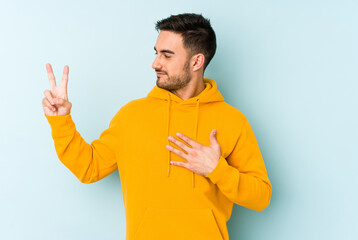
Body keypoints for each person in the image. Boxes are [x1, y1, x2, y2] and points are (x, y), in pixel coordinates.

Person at [42, 13, 272, 240]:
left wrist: (217, 170)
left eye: (167, 55)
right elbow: (88, 168)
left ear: (196, 61)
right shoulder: (131, 115)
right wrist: (61, 120)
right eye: (156, 53)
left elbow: (261, 197)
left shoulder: (232, 120)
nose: (155, 63)